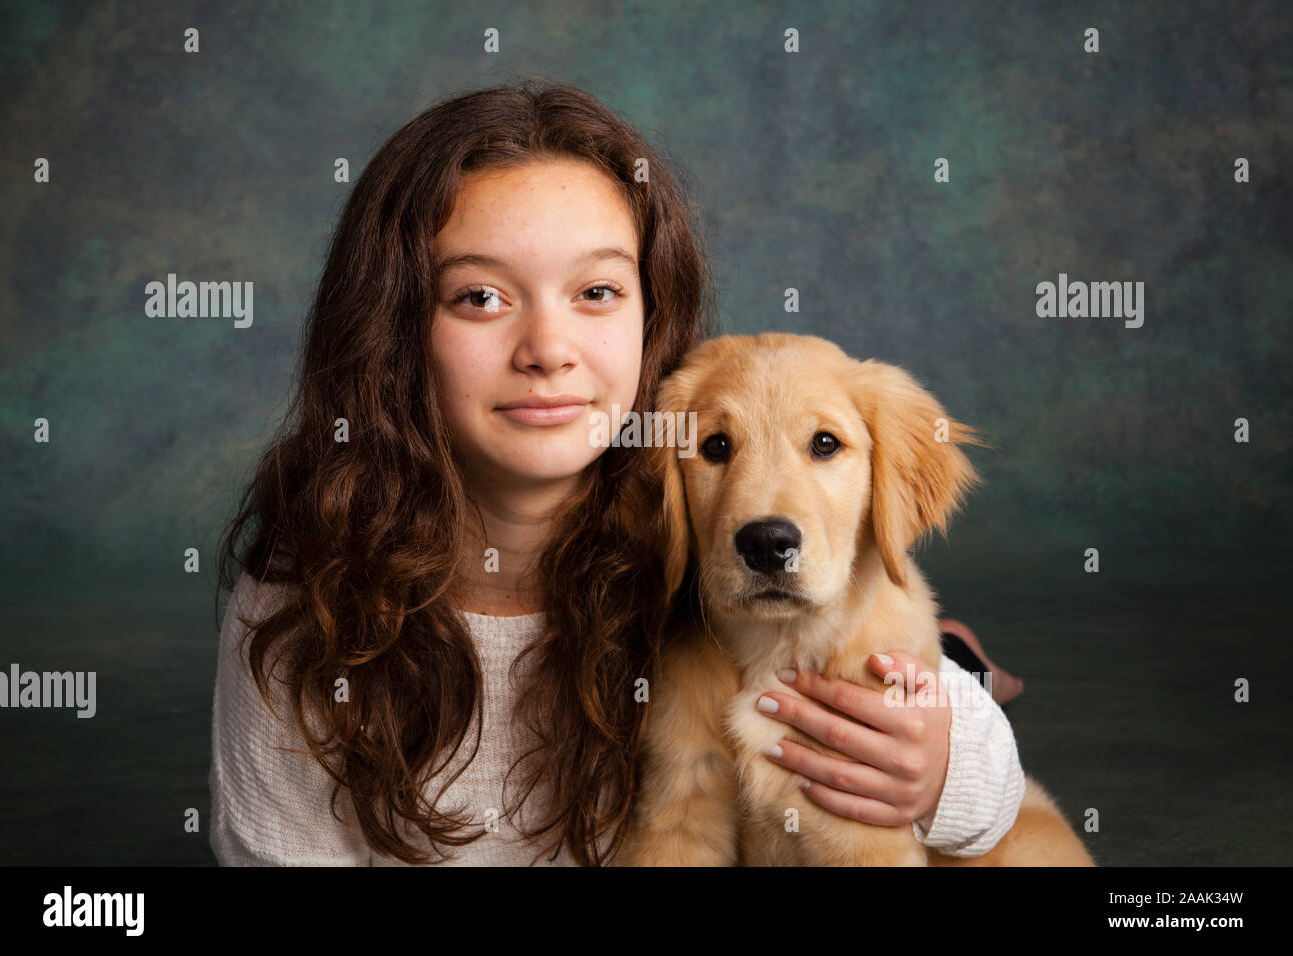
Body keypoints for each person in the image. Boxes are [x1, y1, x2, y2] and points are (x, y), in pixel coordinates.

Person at [209, 77, 1026, 867]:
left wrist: (946, 750)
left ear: (652, 317)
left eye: (596, 290)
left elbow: (933, 740)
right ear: (391, 333)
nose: (548, 350)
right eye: (480, 298)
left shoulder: (695, 513)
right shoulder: (305, 599)